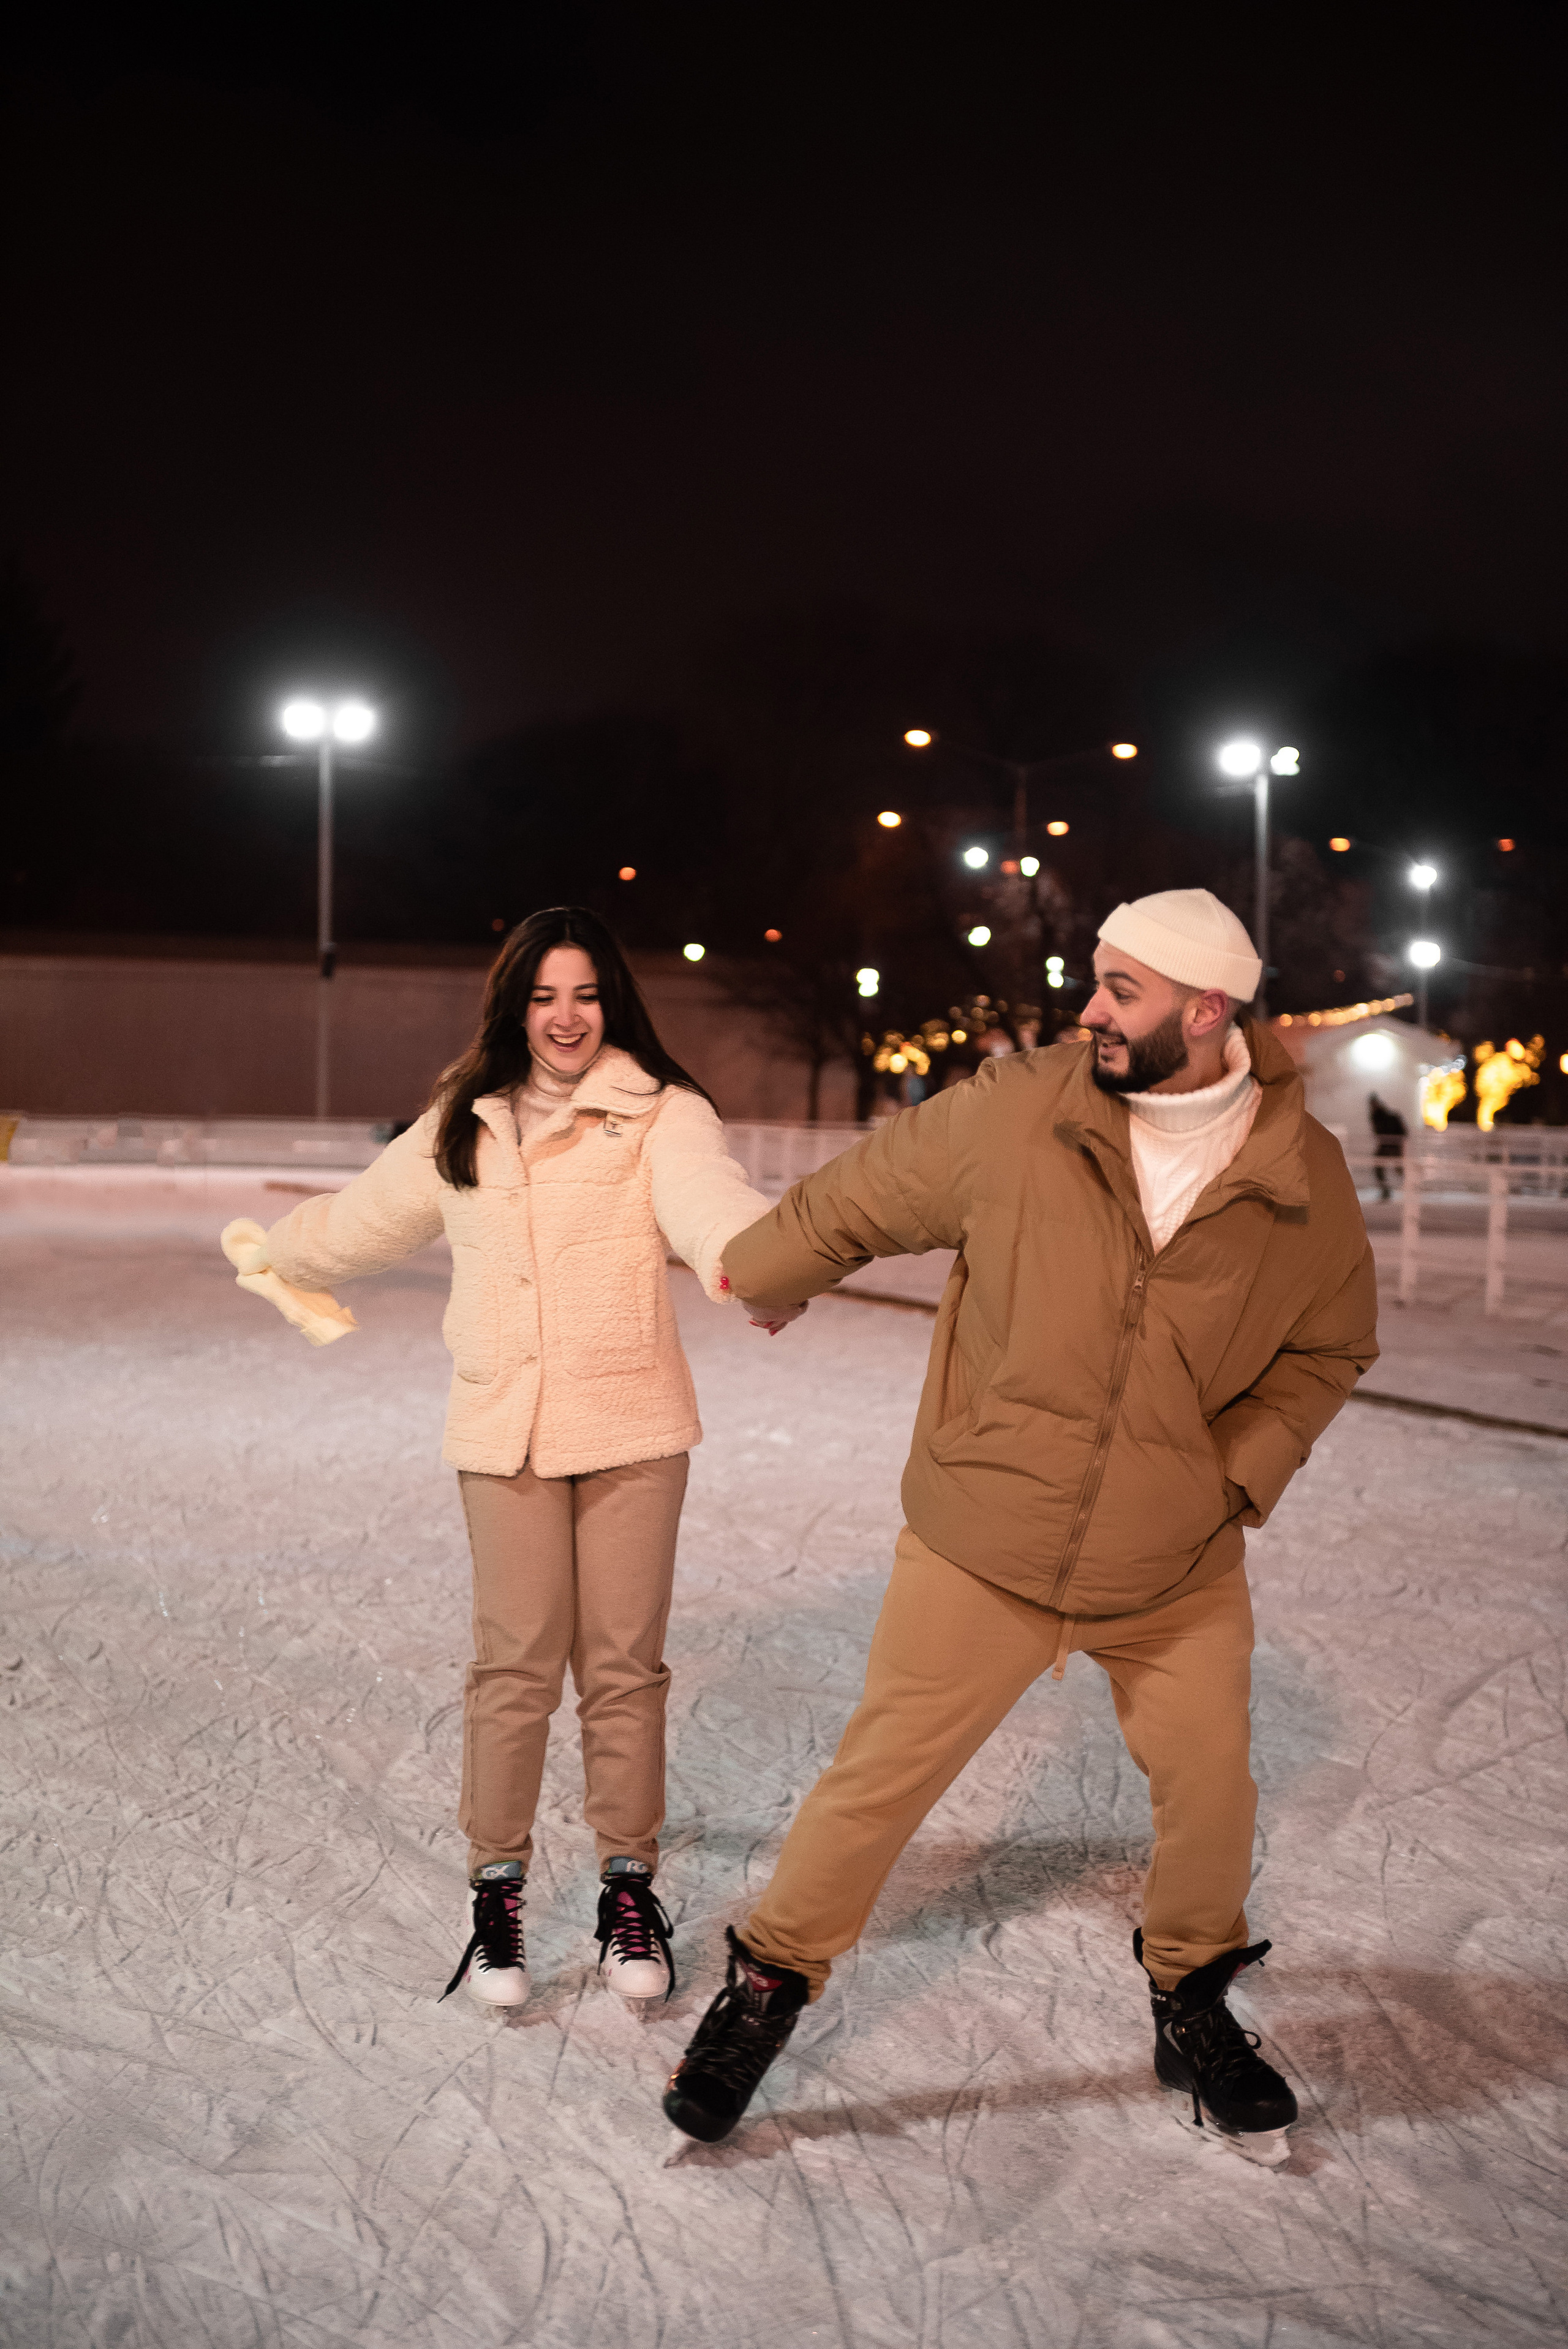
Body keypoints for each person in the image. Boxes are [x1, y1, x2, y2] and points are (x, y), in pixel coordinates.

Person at [663, 888, 1377, 2164]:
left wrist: (1227, 1480)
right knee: (876, 1782)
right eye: (1095, 981)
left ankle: (1190, 1999)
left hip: (1171, 1558)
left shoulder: (1297, 1171)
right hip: (984, 1532)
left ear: (1205, 1010)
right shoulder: (1018, 1110)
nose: (1089, 1009)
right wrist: (768, 1275)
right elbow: (858, 1197)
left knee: (1210, 1786)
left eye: (1120, 990)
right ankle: (765, 1989)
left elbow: (1329, 1345)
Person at [229, 907, 791, 2016]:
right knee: (516, 1668)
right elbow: (361, 1222)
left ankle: (628, 1890)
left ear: (612, 1002)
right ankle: (499, 1893)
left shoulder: (660, 1113)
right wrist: (277, 1248)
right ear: (513, 1005)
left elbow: (710, 1206)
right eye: (543, 996)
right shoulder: (462, 1122)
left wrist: (760, 1267)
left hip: (630, 1424)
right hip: (508, 1430)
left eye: (584, 994)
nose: (565, 1017)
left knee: (624, 1666)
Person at [1368, 1093, 1408, 1201]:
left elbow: (1402, 1132)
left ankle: (1411, 1186)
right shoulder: (1377, 1116)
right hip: (1388, 1146)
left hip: (1392, 1146)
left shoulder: (1383, 1116)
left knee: (1397, 1168)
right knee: (1380, 1167)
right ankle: (1386, 1190)